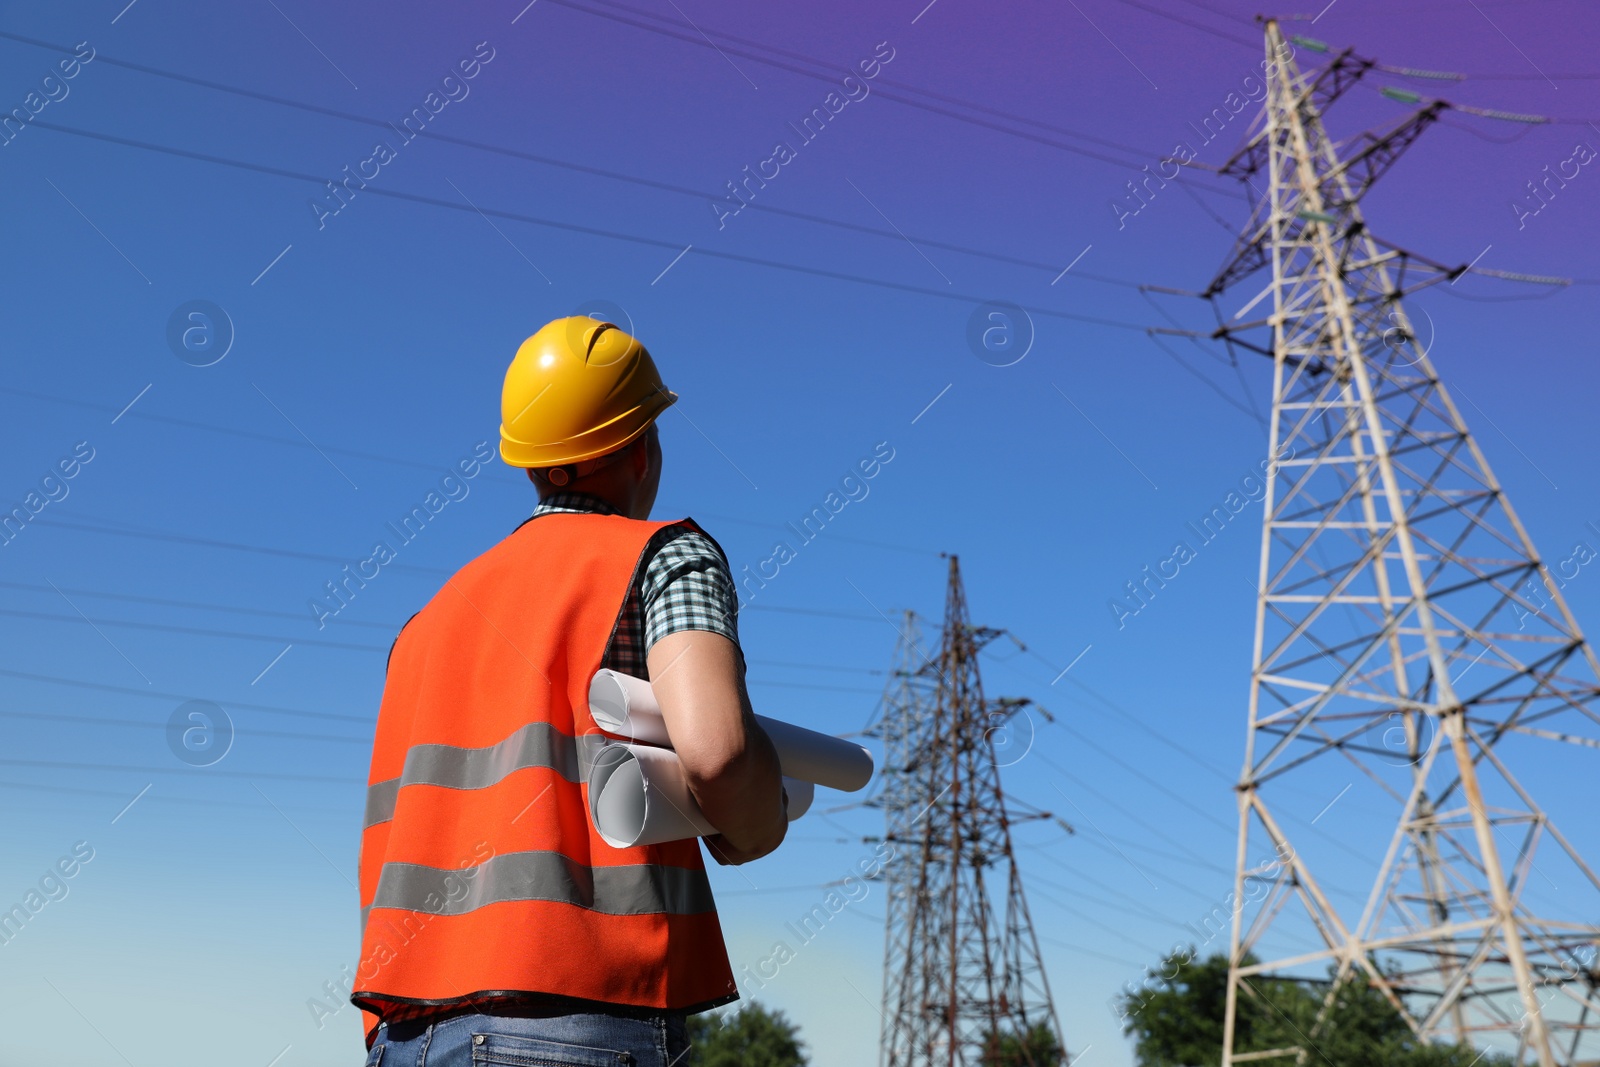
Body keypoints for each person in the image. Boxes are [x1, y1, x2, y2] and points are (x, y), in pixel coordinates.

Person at [351, 316, 788, 1066]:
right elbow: (717, 753)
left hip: (408, 1034)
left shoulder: (427, 622)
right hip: (576, 1020)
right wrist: (758, 822)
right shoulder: (663, 555)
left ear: (528, 463)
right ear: (641, 446)